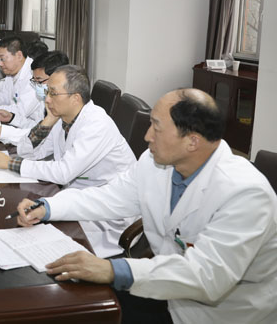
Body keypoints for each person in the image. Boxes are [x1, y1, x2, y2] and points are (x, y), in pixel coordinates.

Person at [16, 89, 277, 324]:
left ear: (192, 141)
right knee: (66, 303)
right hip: (166, 291)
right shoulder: (155, 163)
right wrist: (47, 207)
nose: (147, 136)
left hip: (220, 314)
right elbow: (108, 197)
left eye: (156, 127)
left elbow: (208, 276)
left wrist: (112, 269)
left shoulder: (245, 192)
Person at [0, 65, 136, 257]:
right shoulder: (65, 118)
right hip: (77, 200)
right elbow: (28, 151)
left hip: (107, 216)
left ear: (75, 98)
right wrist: (47, 121)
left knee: (36, 247)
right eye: (47, 92)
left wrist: (9, 163)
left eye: (53, 93)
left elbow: (63, 172)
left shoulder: (96, 124)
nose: (47, 99)